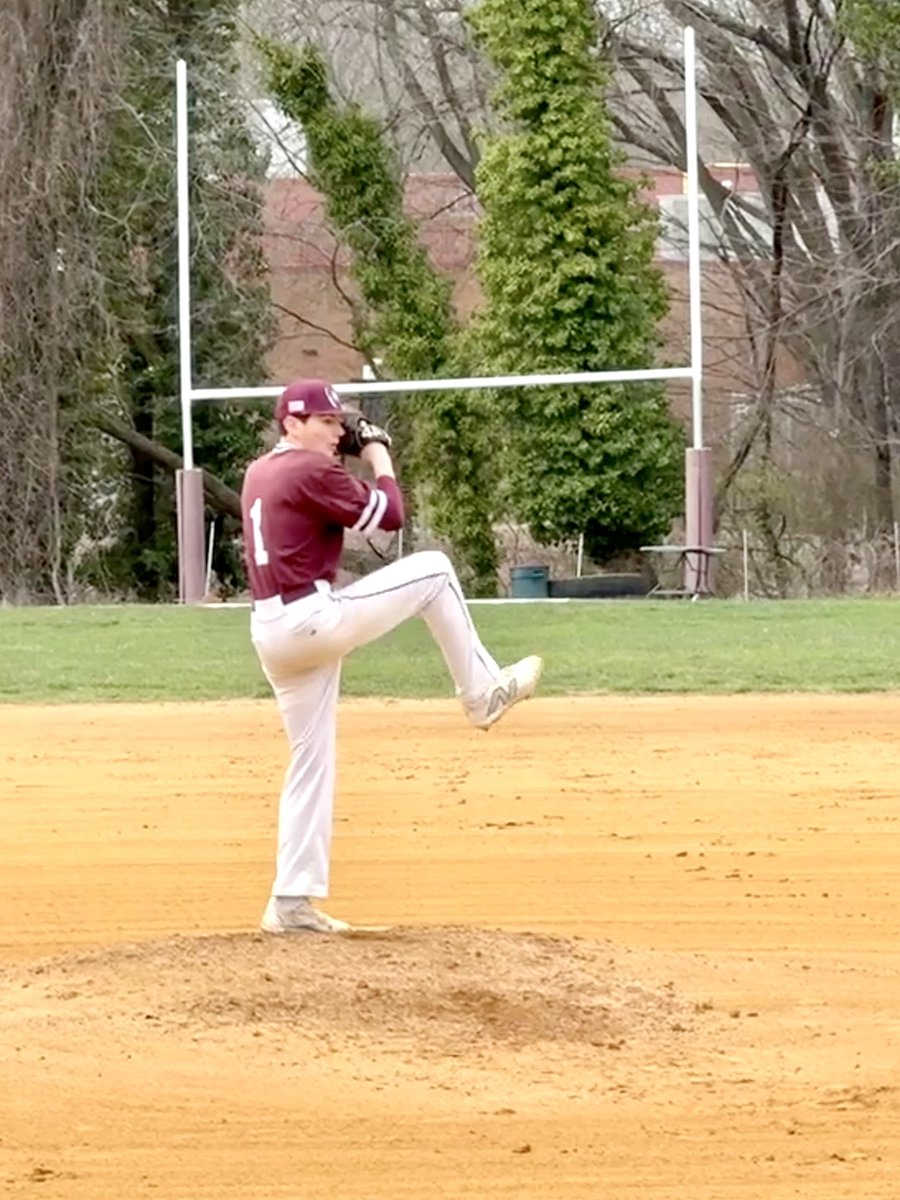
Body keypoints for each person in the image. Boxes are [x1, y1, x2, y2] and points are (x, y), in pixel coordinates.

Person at [240, 377, 543, 935]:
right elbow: (391, 515)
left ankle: (291, 903)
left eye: (339, 423)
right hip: (310, 619)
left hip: (271, 631)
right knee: (435, 571)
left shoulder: (261, 470)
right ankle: (482, 694)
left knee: (311, 761)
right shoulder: (307, 469)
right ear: (291, 424)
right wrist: (378, 453)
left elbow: (324, 505)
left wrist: (347, 455)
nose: (337, 432)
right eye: (325, 422)